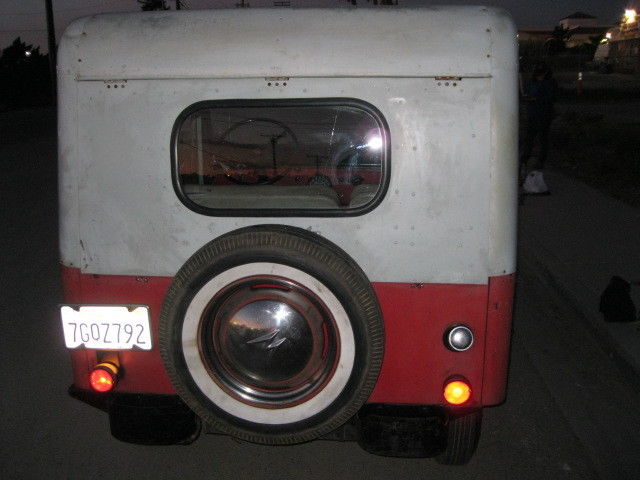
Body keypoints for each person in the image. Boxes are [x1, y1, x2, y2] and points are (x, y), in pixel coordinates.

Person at [520, 62, 558, 194]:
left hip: (544, 114)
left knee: (542, 137)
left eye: (541, 74)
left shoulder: (550, 83)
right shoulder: (532, 82)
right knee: (529, 138)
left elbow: (551, 97)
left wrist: (537, 99)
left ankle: (541, 160)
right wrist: (527, 98)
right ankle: (525, 159)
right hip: (532, 114)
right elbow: (526, 93)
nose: (539, 76)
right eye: (538, 74)